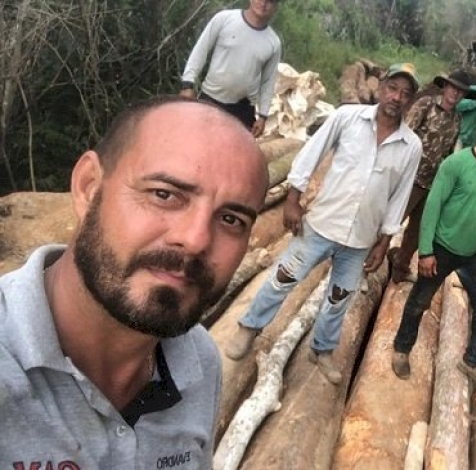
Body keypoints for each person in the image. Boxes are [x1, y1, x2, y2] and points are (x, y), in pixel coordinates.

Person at [0, 97, 269, 467]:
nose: (195, 240)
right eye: (165, 195)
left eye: (231, 220)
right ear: (88, 186)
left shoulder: (198, 362)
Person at [226, 63, 423, 385]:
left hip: (360, 238)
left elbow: (400, 196)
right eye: (393, 88)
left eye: (406, 93)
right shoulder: (348, 118)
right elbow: (312, 152)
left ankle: (322, 348)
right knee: (283, 278)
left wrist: (385, 240)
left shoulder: (411, 146)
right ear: (382, 86)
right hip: (321, 223)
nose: (397, 97)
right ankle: (249, 328)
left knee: (339, 298)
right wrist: (293, 199)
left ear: (411, 100)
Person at [391, 108, 476, 391]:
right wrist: (425, 252)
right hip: (441, 247)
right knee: (419, 302)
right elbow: (432, 207)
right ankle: (401, 348)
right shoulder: (456, 163)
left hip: (473, 252)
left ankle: (472, 360)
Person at [389, 69, 476, 283]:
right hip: (409, 178)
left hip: (432, 184)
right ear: (445, 87)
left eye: (461, 92)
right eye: (453, 88)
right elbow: (404, 134)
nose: (455, 94)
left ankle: (400, 268)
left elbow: (448, 155)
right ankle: (366, 264)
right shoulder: (426, 105)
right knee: (391, 222)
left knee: (417, 232)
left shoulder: (457, 119)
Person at [181, 0, 282, 137]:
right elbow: (200, 51)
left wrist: (263, 116)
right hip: (211, 100)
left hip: (243, 109)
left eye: (270, 1)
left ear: (276, 6)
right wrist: (188, 84)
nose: (264, 4)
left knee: (235, 157)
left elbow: (268, 82)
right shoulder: (224, 19)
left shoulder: (273, 43)